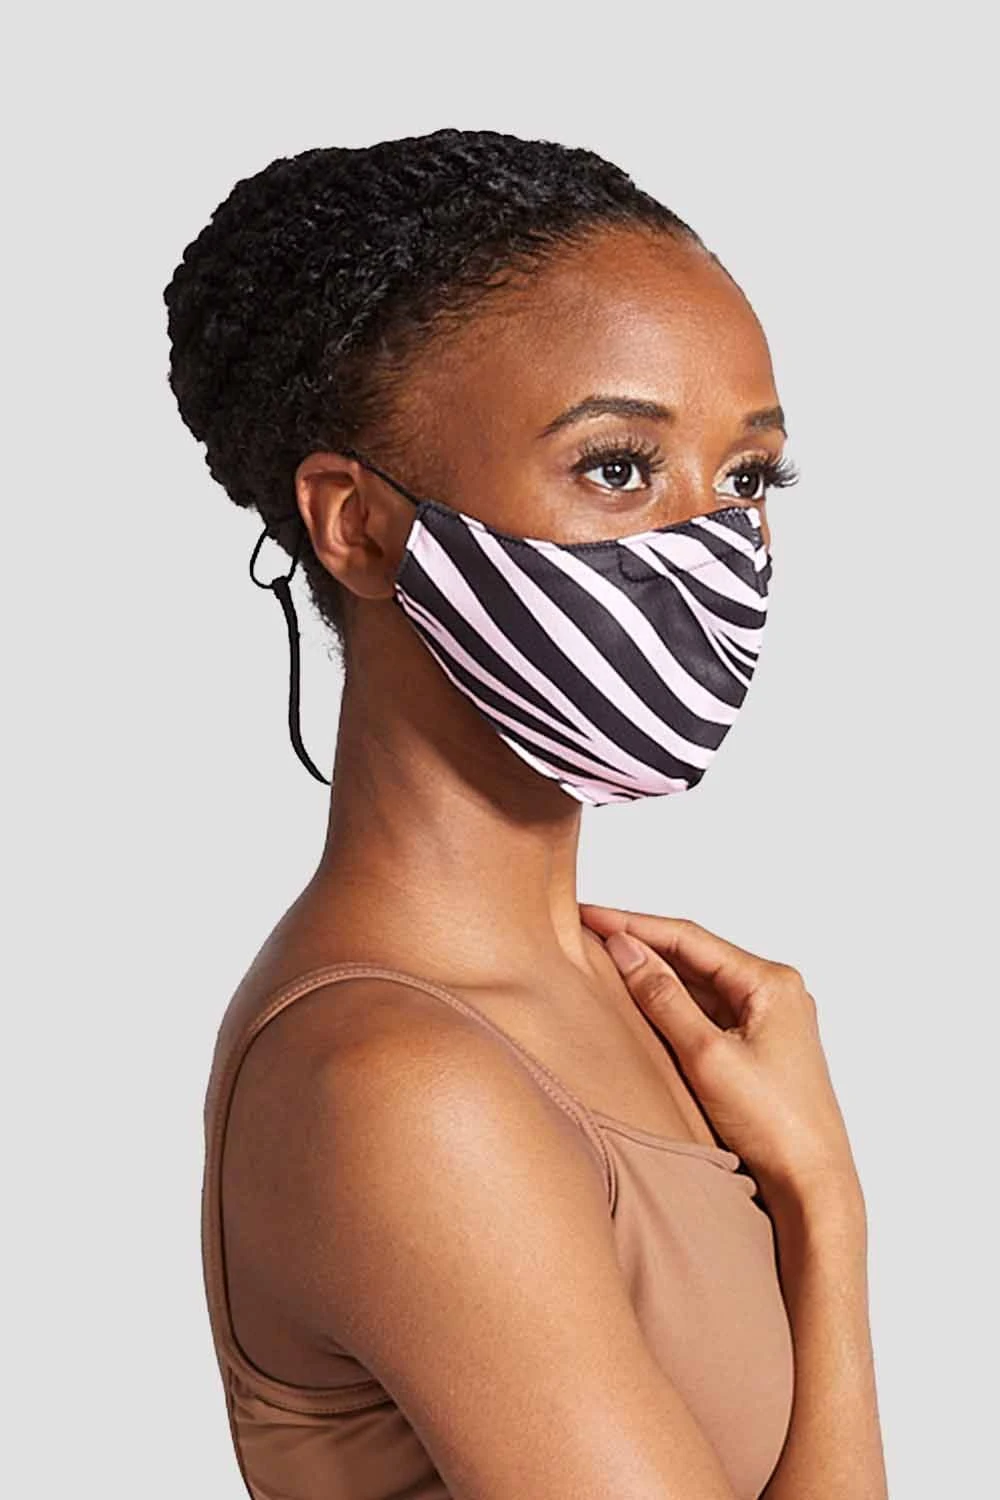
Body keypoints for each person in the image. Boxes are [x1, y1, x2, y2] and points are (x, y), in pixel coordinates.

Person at [163, 128, 887, 1500]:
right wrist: (827, 1216)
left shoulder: (633, 1008)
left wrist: (819, 1198)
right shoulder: (399, 1085)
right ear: (358, 525)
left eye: (746, 478)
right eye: (618, 467)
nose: (713, 547)